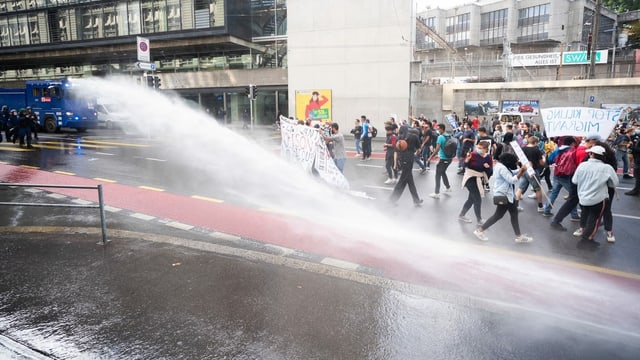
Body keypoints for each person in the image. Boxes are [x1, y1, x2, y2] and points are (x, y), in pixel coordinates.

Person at [473, 152, 532, 243]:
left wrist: (522, 169)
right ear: (509, 161)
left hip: (507, 195)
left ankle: (519, 236)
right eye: (515, 162)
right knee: (499, 215)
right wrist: (521, 171)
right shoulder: (502, 168)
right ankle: (479, 231)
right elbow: (512, 180)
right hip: (504, 195)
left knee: (513, 214)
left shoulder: (502, 166)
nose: (516, 164)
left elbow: (512, 172)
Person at [550, 134, 601, 231]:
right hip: (579, 179)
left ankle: (590, 220)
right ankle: (557, 220)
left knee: (575, 200)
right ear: (592, 141)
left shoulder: (577, 149)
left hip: (573, 177)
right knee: (576, 200)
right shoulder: (585, 152)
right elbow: (585, 168)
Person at [571, 145, 619, 247]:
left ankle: (584, 233)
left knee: (585, 215)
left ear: (592, 154)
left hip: (583, 197)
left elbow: (574, 180)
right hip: (599, 199)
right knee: (595, 220)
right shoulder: (607, 168)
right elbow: (614, 183)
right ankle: (587, 239)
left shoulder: (582, 165)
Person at [542, 136, 580, 220]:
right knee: (573, 196)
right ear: (572, 143)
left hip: (557, 174)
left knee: (554, 193)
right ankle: (574, 215)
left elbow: (550, 160)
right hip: (567, 176)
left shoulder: (557, 150)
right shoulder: (573, 151)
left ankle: (546, 210)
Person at [458, 141, 492, 225]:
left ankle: (461, 215)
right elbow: (464, 166)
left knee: (471, 199)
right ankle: (479, 219)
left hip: (479, 179)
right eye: (478, 148)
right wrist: (467, 160)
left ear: (486, 149)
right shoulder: (472, 154)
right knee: (477, 199)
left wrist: (487, 168)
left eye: (480, 148)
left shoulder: (488, 157)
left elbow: (490, 171)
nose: (478, 150)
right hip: (470, 178)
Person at [389, 125, 423, 207]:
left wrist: (395, 164)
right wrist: (415, 154)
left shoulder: (399, 138)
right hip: (410, 161)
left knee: (409, 181)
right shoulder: (414, 137)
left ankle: (416, 200)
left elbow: (396, 152)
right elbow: (419, 149)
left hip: (402, 161)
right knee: (403, 182)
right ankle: (392, 200)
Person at [514, 136, 545, 213]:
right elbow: (541, 163)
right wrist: (544, 159)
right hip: (533, 171)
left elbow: (518, 160)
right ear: (535, 142)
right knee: (538, 188)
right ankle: (540, 206)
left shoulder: (523, 149)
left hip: (524, 170)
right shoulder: (537, 150)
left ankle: (516, 205)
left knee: (520, 188)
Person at [427, 123, 453, 199]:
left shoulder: (440, 137)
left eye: (438, 129)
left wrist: (431, 157)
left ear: (442, 129)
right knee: (443, 172)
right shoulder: (448, 135)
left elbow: (437, 149)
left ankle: (436, 193)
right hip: (449, 159)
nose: (437, 130)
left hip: (443, 159)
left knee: (438, 175)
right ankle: (448, 187)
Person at [626, 130, 640, 196]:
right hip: (637, 158)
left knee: (637, 175)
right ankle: (636, 190)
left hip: (639, 160)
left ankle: (636, 190)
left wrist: (631, 147)